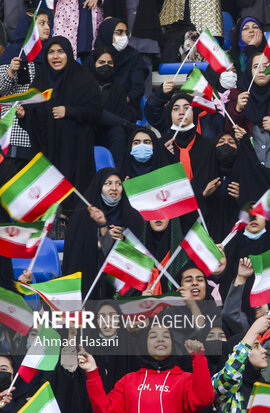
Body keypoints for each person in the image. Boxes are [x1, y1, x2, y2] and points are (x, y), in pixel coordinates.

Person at [17, 36, 103, 193]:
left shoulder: (84, 80)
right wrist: (23, 115)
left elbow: (96, 112)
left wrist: (69, 111)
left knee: (73, 200)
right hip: (46, 151)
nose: (55, 56)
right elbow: (32, 117)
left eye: (60, 52)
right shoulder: (40, 80)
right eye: (51, 52)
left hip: (75, 151)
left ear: (69, 54)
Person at [79, 323, 215, 412]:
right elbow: (105, 409)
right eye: (153, 336)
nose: (161, 339)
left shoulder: (184, 379)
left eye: (166, 336)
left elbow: (204, 398)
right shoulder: (128, 380)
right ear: (144, 344)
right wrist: (92, 372)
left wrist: (199, 358)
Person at [63, 167, 143, 300]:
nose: (114, 188)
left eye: (118, 183)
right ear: (99, 186)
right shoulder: (83, 215)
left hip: (121, 282)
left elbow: (141, 250)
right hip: (91, 280)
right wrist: (100, 242)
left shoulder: (132, 216)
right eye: (108, 183)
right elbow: (76, 251)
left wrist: (123, 239)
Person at [0, 9, 52, 165]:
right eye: (42, 23)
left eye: (48, 23)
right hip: (14, 131)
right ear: (29, 30)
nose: (47, 27)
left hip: (39, 130)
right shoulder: (12, 55)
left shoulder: (50, 56)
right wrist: (10, 72)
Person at [226, 52, 270, 169]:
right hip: (248, 170)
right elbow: (228, 134)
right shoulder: (237, 98)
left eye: (266, 66)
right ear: (249, 71)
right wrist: (238, 110)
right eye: (256, 67)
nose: (261, 70)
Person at [87, 18, 149, 118]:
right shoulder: (94, 57)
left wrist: (122, 100)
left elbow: (138, 89)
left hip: (124, 107)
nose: (123, 37)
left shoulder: (133, 57)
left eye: (126, 33)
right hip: (95, 107)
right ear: (107, 33)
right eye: (119, 32)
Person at [211, 315, 270, 413]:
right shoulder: (225, 389)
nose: (264, 350)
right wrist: (254, 331)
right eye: (256, 346)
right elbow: (230, 375)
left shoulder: (267, 389)